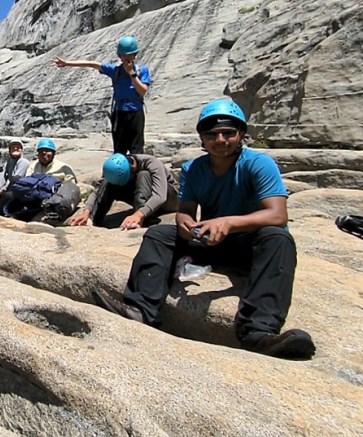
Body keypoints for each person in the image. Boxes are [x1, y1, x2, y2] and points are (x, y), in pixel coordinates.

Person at [91, 99, 316, 360]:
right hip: (213, 241)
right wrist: (184, 223)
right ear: (202, 137)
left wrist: (229, 222)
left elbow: (277, 214)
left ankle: (258, 331)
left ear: (240, 134)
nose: (220, 139)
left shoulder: (258, 164)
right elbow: (186, 210)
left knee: (278, 238)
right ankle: (140, 309)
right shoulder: (193, 169)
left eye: (228, 133)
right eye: (212, 134)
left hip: (250, 244)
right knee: (159, 234)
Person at [52, 35, 151, 155]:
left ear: (135, 55)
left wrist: (131, 74)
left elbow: (142, 91)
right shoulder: (114, 70)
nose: (126, 58)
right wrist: (67, 63)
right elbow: (92, 64)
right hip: (119, 113)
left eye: (129, 55)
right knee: (119, 149)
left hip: (136, 112)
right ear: (119, 56)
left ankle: (136, 172)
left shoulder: (142, 71)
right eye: (123, 55)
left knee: (137, 149)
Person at [69, 153, 178, 229]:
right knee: (107, 182)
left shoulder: (151, 163)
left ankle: (143, 218)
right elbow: (97, 190)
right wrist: (86, 212)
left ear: (133, 167)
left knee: (143, 175)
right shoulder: (113, 168)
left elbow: (160, 196)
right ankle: (93, 220)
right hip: (145, 195)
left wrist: (139, 214)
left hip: (170, 199)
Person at [0, 138, 77, 216]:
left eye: (47, 151)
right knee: (8, 196)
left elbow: (70, 187)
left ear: (53, 153)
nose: (44, 154)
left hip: (51, 199)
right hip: (31, 196)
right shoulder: (33, 166)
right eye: (41, 152)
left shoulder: (64, 168)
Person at [0, 138, 30, 211]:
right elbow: (2, 180)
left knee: (14, 181)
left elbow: (14, 181)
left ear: (21, 150)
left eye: (18, 147)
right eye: (13, 147)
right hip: (7, 190)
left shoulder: (24, 162)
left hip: (16, 191)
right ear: (9, 150)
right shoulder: (8, 162)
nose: (15, 148)